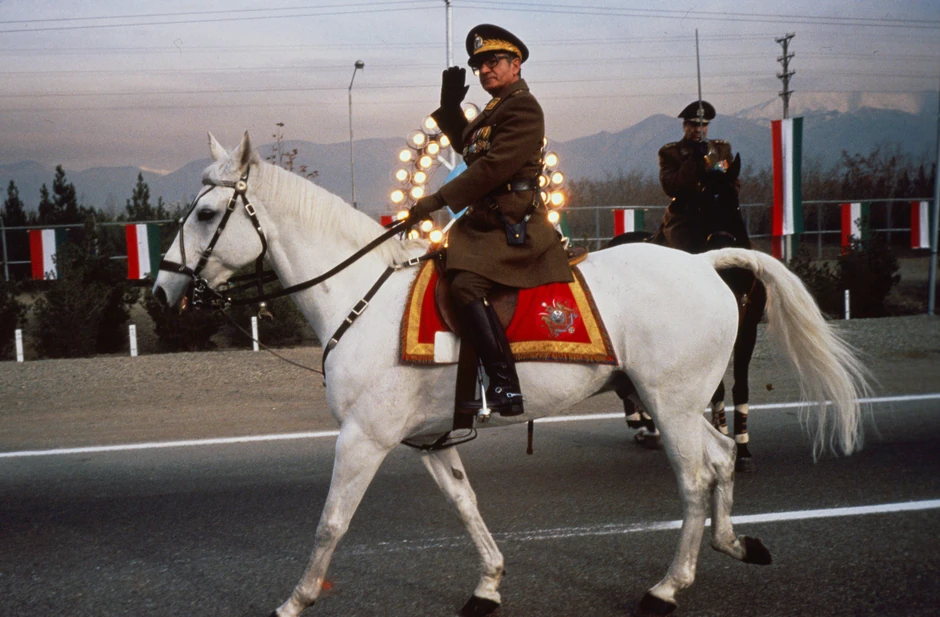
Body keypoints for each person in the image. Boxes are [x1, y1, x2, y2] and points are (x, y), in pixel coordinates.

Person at [408, 24, 573, 416]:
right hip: (486, 223)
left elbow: (495, 166)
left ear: (515, 64)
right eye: (480, 65)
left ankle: (505, 384)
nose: (485, 70)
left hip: (512, 225)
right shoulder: (495, 109)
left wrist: (438, 198)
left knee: (465, 285)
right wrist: (449, 111)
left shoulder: (523, 106)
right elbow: (472, 149)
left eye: (493, 62)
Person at [656, 100, 738, 254]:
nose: (698, 130)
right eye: (693, 125)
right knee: (681, 254)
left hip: (717, 213)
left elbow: (733, 181)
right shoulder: (670, 152)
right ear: (684, 126)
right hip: (684, 216)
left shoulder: (721, 150)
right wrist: (693, 160)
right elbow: (671, 187)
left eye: (703, 125)